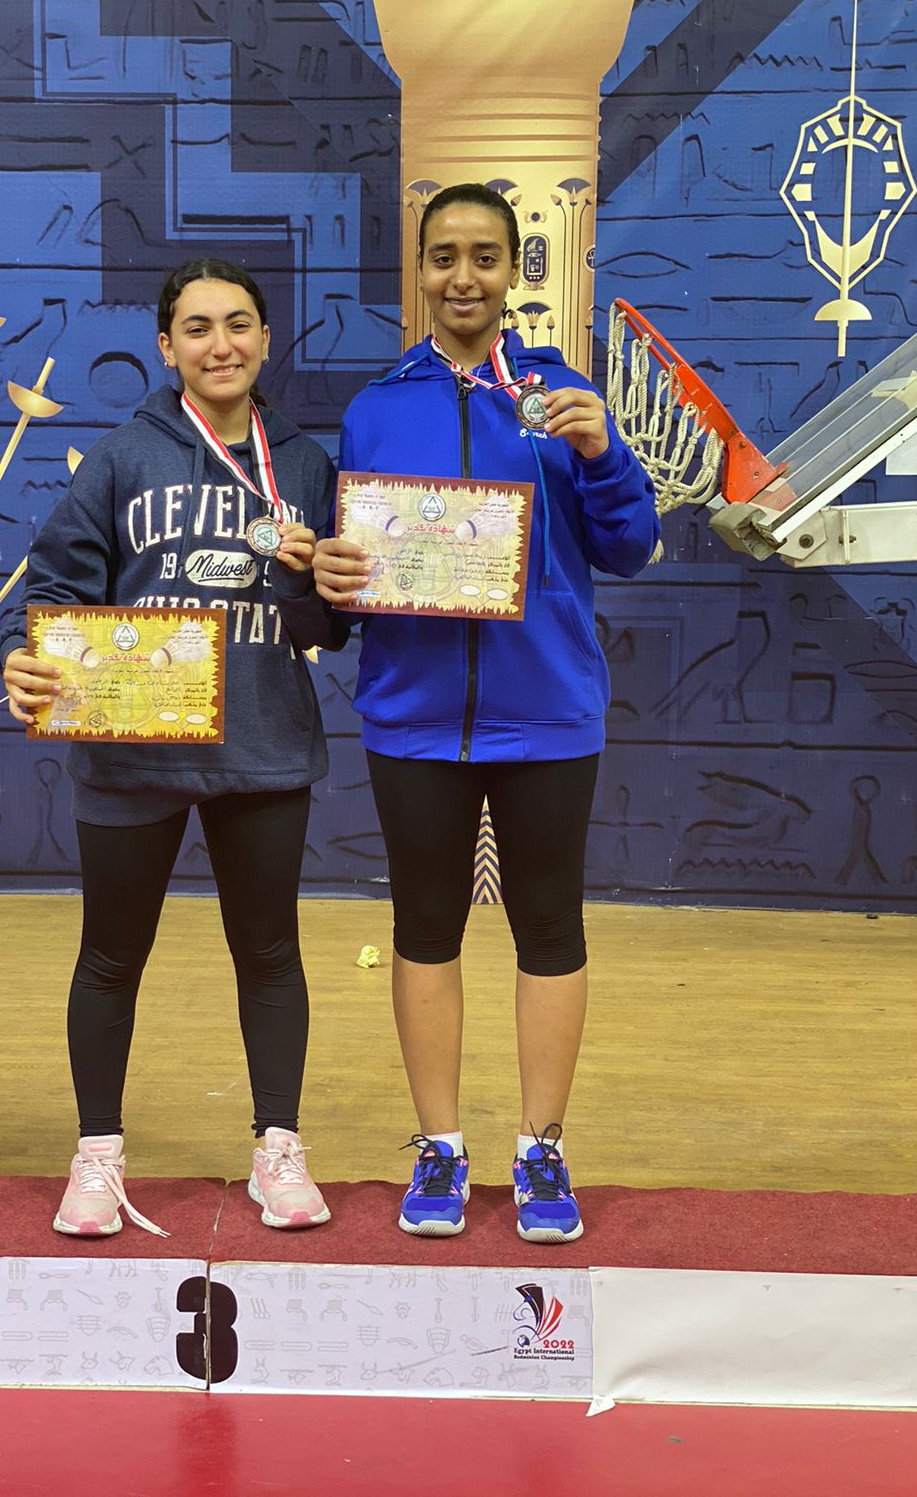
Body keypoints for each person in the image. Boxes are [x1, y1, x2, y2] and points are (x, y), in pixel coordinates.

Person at [313, 184, 659, 1242]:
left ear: (516, 271)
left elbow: (631, 547)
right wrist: (334, 575)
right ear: (419, 272)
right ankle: (440, 1148)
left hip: (547, 711)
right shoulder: (377, 409)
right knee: (424, 930)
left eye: (484, 256)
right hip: (413, 716)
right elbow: (351, 577)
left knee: (549, 928)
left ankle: (542, 1149)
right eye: (443, 256)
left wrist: (604, 455)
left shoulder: (564, 398)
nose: (463, 277)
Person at [0, 257, 346, 1237]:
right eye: (198, 327)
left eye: (238, 324)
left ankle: (279, 1147)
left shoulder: (306, 465)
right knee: (110, 954)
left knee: (269, 951)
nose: (220, 344)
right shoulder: (121, 458)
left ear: (265, 337)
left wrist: (309, 581)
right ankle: (97, 1156)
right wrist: (20, 655)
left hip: (262, 743)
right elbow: (52, 589)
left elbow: (329, 627)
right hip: (131, 746)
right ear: (166, 345)